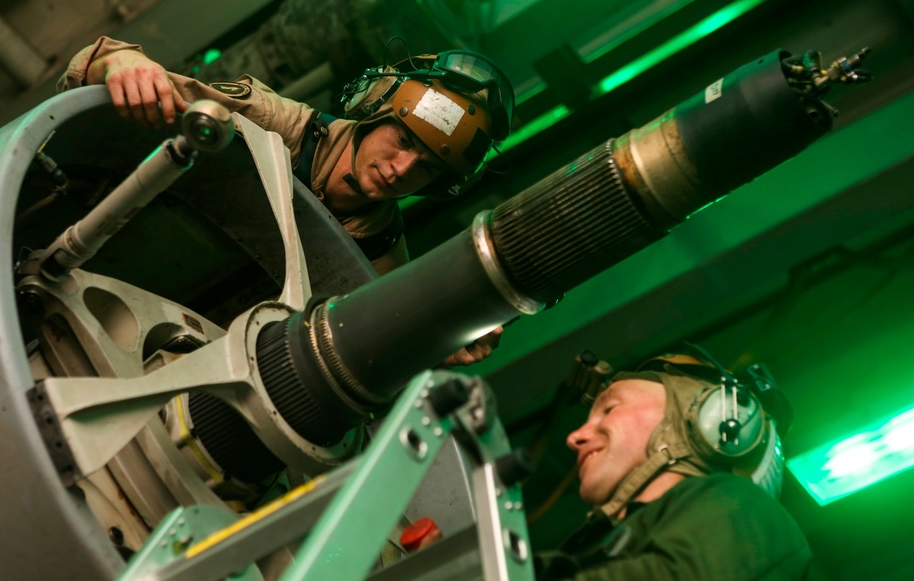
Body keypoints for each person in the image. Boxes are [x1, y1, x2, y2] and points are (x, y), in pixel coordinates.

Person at [58, 37, 513, 365]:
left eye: (429, 167)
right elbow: (95, 72)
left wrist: (437, 341)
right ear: (374, 108)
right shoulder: (272, 122)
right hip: (82, 279)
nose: (401, 169)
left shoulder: (380, 257)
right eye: (403, 139)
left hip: (177, 360)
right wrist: (117, 62)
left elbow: (383, 343)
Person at [537, 352, 812, 580]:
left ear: (719, 422)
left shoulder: (747, 509)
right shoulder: (591, 549)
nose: (574, 438)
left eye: (609, 409)